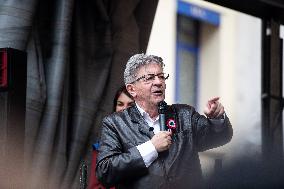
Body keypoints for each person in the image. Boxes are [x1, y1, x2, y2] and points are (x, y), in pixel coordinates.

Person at [96, 53, 233, 189]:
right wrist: (151, 148)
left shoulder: (185, 114)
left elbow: (219, 137)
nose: (158, 82)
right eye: (149, 78)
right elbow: (105, 172)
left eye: (161, 76)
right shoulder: (115, 123)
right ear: (132, 89)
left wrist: (217, 119)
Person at [88, 86, 134, 189]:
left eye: (131, 105)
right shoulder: (102, 147)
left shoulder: (151, 143)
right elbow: (95, 186)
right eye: (120, 104)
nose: (124, 109)